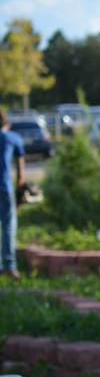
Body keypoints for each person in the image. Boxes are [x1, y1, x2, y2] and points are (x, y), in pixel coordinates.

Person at [1, 108, 26, 280]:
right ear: (6, 123)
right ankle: (9, 266)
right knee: (9, 225)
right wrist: (21, 188)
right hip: (4, 187)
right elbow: (21, 173)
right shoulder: (12, 138)